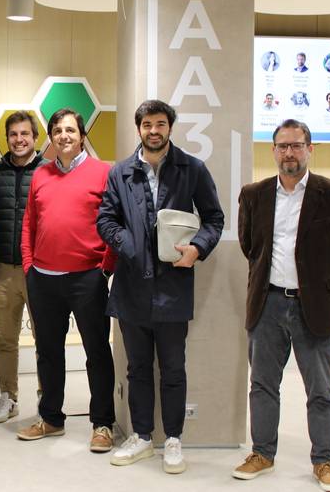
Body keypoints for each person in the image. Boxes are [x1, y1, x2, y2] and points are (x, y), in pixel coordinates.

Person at [233, 119, 330, 492]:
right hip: (268, 304)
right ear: (273, 151)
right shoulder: (254, 194)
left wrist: (326, 285)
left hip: (315, 308)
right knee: (262, 386)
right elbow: (250, 246)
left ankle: (324, 460)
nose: (289, 152)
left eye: (296, 145)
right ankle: (262, 453)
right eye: (282, 146)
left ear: (310, 149)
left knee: (321, 390)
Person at [96, 100, 224, 474]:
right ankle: (140, 436)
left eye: (161, 124)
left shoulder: (192, 169)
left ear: (171, 127)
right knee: (137, 368)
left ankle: (173, 440)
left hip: (174, 285)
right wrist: (126, 243)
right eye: (147, 124)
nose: (154, 131)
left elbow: (214, 218)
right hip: (132, 285)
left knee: (173, 368)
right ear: (138, 129)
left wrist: (197, 248)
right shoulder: (121, 172)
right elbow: (105, 218)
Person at [16, 108, 117, 454]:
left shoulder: (103, 172)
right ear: (51, 137)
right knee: (48, 354)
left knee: (97, 353)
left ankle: (102, 423)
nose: (64, 136)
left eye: (70, 129)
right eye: (57, 130)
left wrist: (105, 266)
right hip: (44, 279)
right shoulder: (40, 175)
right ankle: (51, 419)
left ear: (82, 134)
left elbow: (116, 223)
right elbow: (29, 224)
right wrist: (29, 267)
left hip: (88, 278)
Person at [0, 111, 48, 423]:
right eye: (13, 134)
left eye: (25, 134)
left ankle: (45, 396)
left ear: (35, 137)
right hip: (4, 268)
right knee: (6, 339)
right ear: (6, 138)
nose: (19, 140)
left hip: (40, 269)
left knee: (44, 339)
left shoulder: (50, 172)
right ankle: (8, 397)